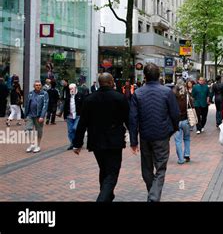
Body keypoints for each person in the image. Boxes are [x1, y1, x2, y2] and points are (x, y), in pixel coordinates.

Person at [72, 73, 130, 202]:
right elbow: (128, 119)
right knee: (112, 172)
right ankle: (103, 198)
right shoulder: (119, 98)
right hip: (114, 141)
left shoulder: (89, 99)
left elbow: (82, 123)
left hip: (96, 141)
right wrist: (135, 140)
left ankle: (108, 196)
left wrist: (77, 143)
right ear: (111, 82)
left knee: (103, 169)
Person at [129, 63, 180, 202]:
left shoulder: (138, 93)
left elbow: (133, 119)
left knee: (146, 168)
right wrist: (173, 129)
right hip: (162, 135)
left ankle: (152, 193)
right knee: (161, 167)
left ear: (144, 76)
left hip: (145, 135)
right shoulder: (166, 92)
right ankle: (153, 196)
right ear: (159, 76)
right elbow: (175, 114)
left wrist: (133, 141)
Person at [24, 81, 49, 153]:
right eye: (36, 85)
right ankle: (32, 144)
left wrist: (42, 116)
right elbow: (27, 104)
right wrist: (25, 115)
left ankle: (37, 146)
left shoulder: (44, 94)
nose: (38, 86)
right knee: (27, 130)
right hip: (30, 115)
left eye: (39, 85)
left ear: (41, 86)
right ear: (34, 86)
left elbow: (45, 105)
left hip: (39, 116)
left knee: (39, 131)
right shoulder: (31, 93)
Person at [173, 81, 193, 164]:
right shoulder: (187, 96)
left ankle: (181, 159)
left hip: (176, 121)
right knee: (187, 138)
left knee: (178, 141)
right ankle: (187, 155)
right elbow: (192, 106)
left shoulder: (173, 97)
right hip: (186, 120)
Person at [63, 83, 85, 150]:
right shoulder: (68, 95)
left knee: (75, 128)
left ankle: (78, 142)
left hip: (78, 115)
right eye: (70, 89)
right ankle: (73, 143)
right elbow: (65, 106)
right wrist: (64, 116)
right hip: (69, 116)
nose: (71, 90)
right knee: (70, 131)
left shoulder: (80, 95)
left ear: (75, 88)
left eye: (72, 88)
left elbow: (84, 105)